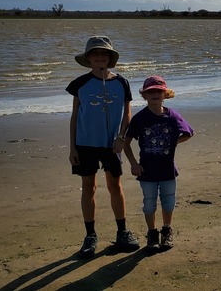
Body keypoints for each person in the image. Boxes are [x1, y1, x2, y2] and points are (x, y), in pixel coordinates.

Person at [66, 36, 140, 258]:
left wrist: (121, 136)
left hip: (111, 145)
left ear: (110, 58)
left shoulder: (122, 82)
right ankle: (90, 236)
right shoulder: (79, 84)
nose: (100, 58)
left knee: (115, 186)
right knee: (89, 187)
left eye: (104, 54)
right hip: (85, 143)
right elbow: (74, 116)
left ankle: (122, 232)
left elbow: (127, 113)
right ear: (88, 58)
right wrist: (72, 148)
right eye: (95, 54)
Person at [124, 75, 194, 251]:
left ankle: (166, 230)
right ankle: (152, 233)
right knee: (149, 204)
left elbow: (188, 132)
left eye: (159, 91)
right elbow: (126, 142)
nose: (155, 94)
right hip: (146, 171)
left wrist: (173, 143)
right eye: (151, 91)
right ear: (145, 95)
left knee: (168, 202)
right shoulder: (139, 118)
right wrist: (133, 164)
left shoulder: (172, 116)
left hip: (168, 170)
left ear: (165, 93)